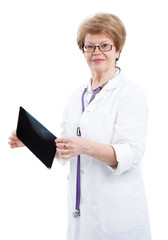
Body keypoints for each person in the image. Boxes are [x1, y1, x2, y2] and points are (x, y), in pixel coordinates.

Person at [9, 13, 151, 240]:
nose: (97, 52)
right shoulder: (77, 96)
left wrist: (85, 146)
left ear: (118, 49)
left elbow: (131, 153)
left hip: (118, 216)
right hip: (82, 216)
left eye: (105, 45)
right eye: (89, 47)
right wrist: (32, 140)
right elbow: (66, 152)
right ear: (82, 51)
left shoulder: (131, 94)